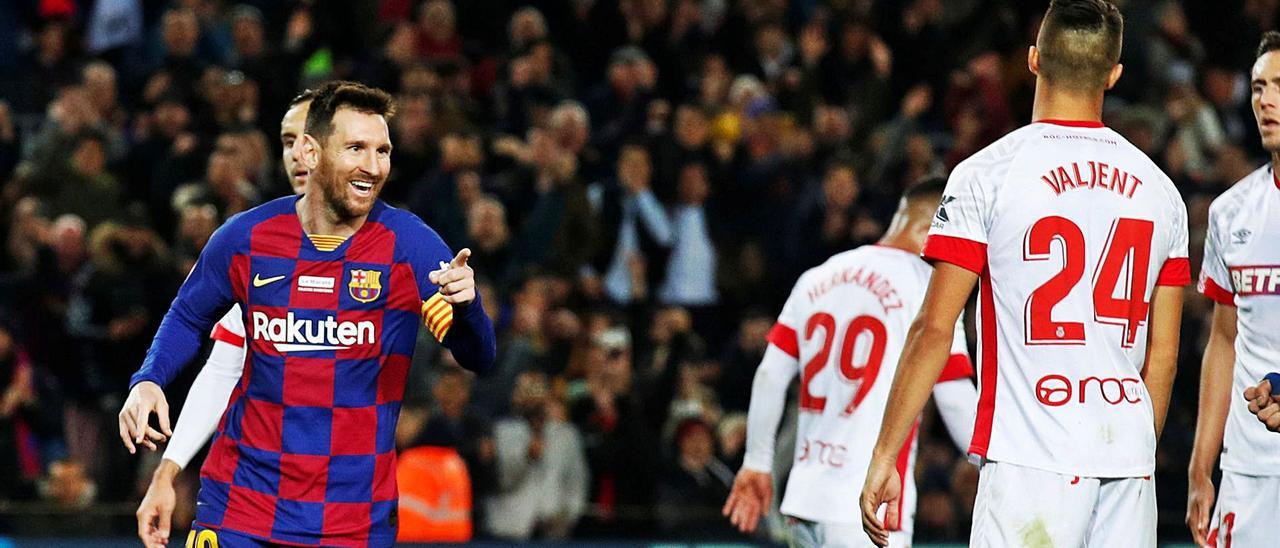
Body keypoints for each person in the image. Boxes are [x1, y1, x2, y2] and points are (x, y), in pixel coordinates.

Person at [859, 1, 1190, 547]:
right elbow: (1165, 355)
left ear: (1034, 60)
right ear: (1113, 75)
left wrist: (885, 454)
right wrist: (1133, 447)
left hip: (1028, 455)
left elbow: (935, 329)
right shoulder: (1161, 191)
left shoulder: (985, 174)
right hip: (1127, 461)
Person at [117, 81, 496, 547]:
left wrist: (469, 307)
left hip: (351, 522)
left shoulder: (410, 246)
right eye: (356, 148)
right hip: (239, 509)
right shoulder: (246, 238)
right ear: (312, 153)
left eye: (383, 151)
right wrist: (150, 379)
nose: (373, 167)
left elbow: (479, 356)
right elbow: (189, 317)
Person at [722, 178, 978, 547]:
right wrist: (1001, 468)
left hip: (804, 500)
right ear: (932, 228)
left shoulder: (818, 275)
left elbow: (770, 376)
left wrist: (757, 462)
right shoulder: (931, 289)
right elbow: (954, 399)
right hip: (870, 504)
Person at [122, 88, 314, 548]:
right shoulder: (253, 241)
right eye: (288, 142)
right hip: (242, 498)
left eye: (310, 139)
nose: (298, 155)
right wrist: (168, 471)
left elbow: (474, 349)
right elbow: (222, 366)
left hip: (339, 505)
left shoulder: (393, 247)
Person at [1197, 32, 1280, 547]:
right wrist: (1201, 467)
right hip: (1247, 473)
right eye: (1257, 87)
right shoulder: (1230, 213)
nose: (1265, 100)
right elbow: (1223, 341)